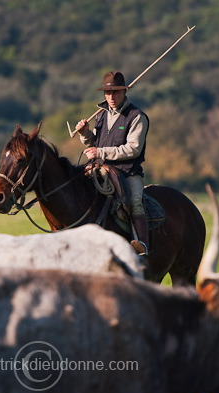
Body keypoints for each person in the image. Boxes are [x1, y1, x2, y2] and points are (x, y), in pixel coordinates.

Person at [75, 71, 150, 257]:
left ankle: (142, 246)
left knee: (135, 203)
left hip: (127, 173)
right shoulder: (101, 116)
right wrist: (84, 133)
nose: (111, 97)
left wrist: (100, 152)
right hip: (99, 169)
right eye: (108, 93)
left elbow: (133, 149)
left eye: (116, 92)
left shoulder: (137, 117)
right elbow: (95, 144)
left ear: (125, 91)